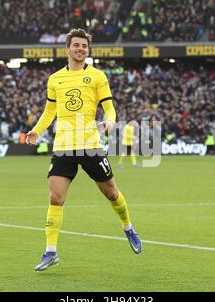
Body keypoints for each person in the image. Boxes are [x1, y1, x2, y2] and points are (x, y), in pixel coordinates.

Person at [26, 28, 142, 272]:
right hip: (64, 146)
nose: (80, 49)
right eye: (76, 45)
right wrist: (37, 130)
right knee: (55, 197)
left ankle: (128, 227)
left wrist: (110, 120)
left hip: (90, 145)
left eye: (84, 46)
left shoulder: (97, 76)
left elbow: (109, 107)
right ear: (67, 48)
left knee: (111, 193)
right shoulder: (55, 79)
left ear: (87, 50)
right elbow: (50, 111)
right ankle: (50, 251)